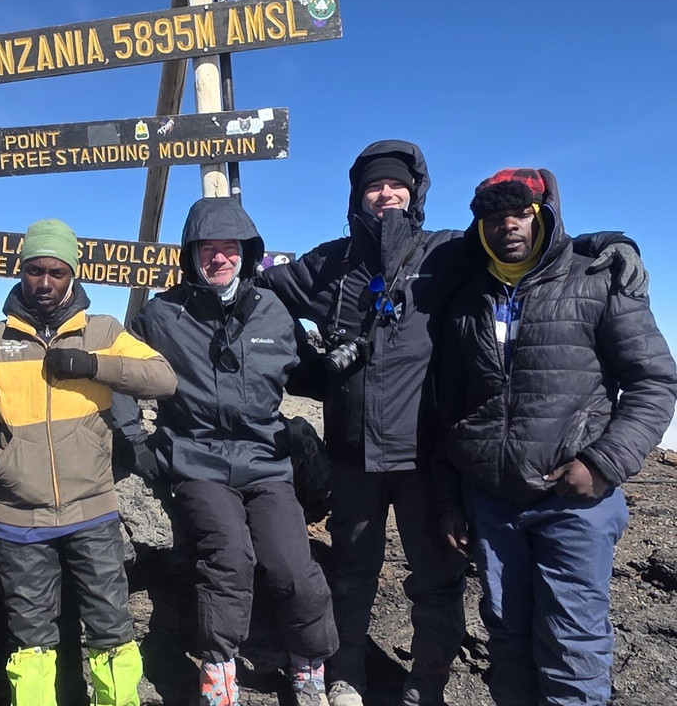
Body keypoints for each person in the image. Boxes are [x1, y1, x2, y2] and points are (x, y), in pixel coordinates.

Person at [257, 140, 647, 706]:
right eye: (373, 186)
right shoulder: (330, 263)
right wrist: (309, 368)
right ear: (357, 196)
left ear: (415, 192)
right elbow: (261, 289)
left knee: (437, 581)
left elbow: (524, 243)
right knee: (350, 574)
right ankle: (347, 676)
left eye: (396, 184)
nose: (385, 194)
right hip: (352, 453)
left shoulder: (445, 252)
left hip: (426, 454)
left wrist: (608, 243)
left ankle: (427, 684)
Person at [435, 168, 677, 706]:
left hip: (574, 501)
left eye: (520, 213)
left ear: (542, 215)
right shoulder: (468, 299)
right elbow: (450, 410)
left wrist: (603, 464)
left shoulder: (597, 279)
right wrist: (450, 500)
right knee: (506, 635)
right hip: (491, 502)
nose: (507, 226)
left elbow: (655, 381)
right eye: (494, 218)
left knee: (573, 642)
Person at [0, 218, 177, 706]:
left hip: (93, 510)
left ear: (73, 274)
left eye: (57, 272)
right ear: (20, 270)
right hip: (19, 516)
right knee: (31, 641)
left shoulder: (102, 331)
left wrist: (94, 365)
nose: (44, 282)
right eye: (35, 270)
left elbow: (163, 378)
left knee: (112, 630)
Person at [127, 197, 339, 706]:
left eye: (230, 248)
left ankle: (309, 664)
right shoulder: (162, 314)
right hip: (197, 462)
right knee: (228, 557)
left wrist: (344, 360)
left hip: (266, 462)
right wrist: (134, 440)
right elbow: (119, 369)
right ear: (190, 255)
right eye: (207, 249)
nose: (219, 258)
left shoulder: (273, 311)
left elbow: (308, 374)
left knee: (292, 565)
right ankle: (219, 670)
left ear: (247, 253)